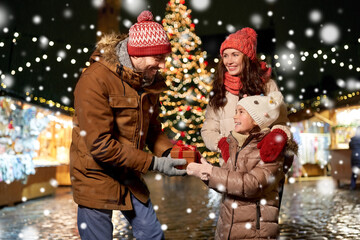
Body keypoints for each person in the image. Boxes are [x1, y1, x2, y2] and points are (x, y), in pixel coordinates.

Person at [70, 10, 187, 240]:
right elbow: (100, 145)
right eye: (158, 58)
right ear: (139, 54)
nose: (163, 65)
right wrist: (155, 163)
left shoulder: (148, 81)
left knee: (152, 235)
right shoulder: (95, 79)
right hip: (95, 175)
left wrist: (172, 153)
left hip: (129, 174)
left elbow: (152, 129)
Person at [187, 92, 298, 239]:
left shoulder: (270, 149)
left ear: (257, 119)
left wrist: (210, 172)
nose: (235, 117)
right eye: (235, 112)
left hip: (254, 232)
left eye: (241, 112)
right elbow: (227, 183)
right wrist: (204, 171)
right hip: (227, 230)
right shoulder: (236, 145)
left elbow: (252, 184)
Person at [201, 27, 292, 166]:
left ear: (247, 57)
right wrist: (222, 144)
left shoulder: (267, 86)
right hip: (231, 166)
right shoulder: (219, 90)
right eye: (225, 55)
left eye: (235, 54)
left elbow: (281, 122)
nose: (229, 61)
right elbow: (208, 129)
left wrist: (276, 136)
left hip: (263, 164)